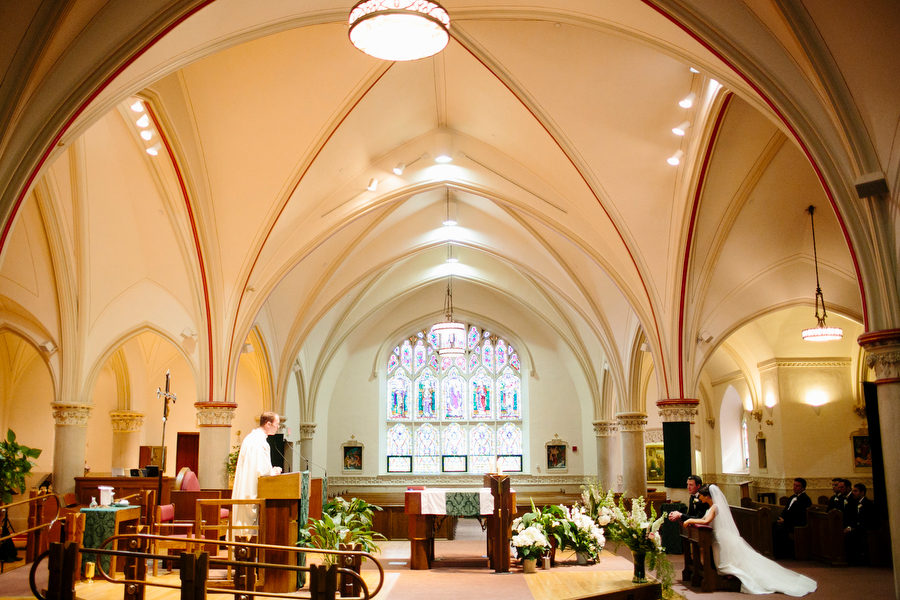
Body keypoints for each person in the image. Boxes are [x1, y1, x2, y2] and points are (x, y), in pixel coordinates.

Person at [685, 485, 816, 596]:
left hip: (720, 539)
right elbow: (704, 520)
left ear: (707, 496)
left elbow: (706, 521)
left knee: (725, 565)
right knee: (724, 564)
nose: (699, 497)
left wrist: (690, 520)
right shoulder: (710, 507)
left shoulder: (715, 507)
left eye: (701, 495)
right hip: (718, 537)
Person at [232, 412, 283, 537]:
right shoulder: (259, 442)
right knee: (248, 526)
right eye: (277, 424)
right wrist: (274, 471)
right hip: (251, 489)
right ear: (268, 424)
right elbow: (262, 472)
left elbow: (256, 466)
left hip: (246, 488)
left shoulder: (251, 438)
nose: (278, 427)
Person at [772, 478, 811, 558]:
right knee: (772, 526)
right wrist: (781, 519)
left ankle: (782, 554)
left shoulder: (805, 499)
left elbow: (800, 515)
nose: (794, 487)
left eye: (797, 486)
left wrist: (785, 521)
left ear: (803, 488)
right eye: (794, 485)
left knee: (778, 530)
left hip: (796, 524)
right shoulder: (791, 498)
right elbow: (786, 510)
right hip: (787, 522)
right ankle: (772, 551)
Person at [844, 483, 878, 564]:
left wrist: (852, 529)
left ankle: (855, 559)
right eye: (852, 491)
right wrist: (849, 527)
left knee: (851, 535)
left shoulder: (868, 505)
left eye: (855, 491)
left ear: (862, 492)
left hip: (866, 529)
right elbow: (853, 519)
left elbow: (867, 521)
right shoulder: (854, 503)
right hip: (858, 528)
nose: (853, 493)